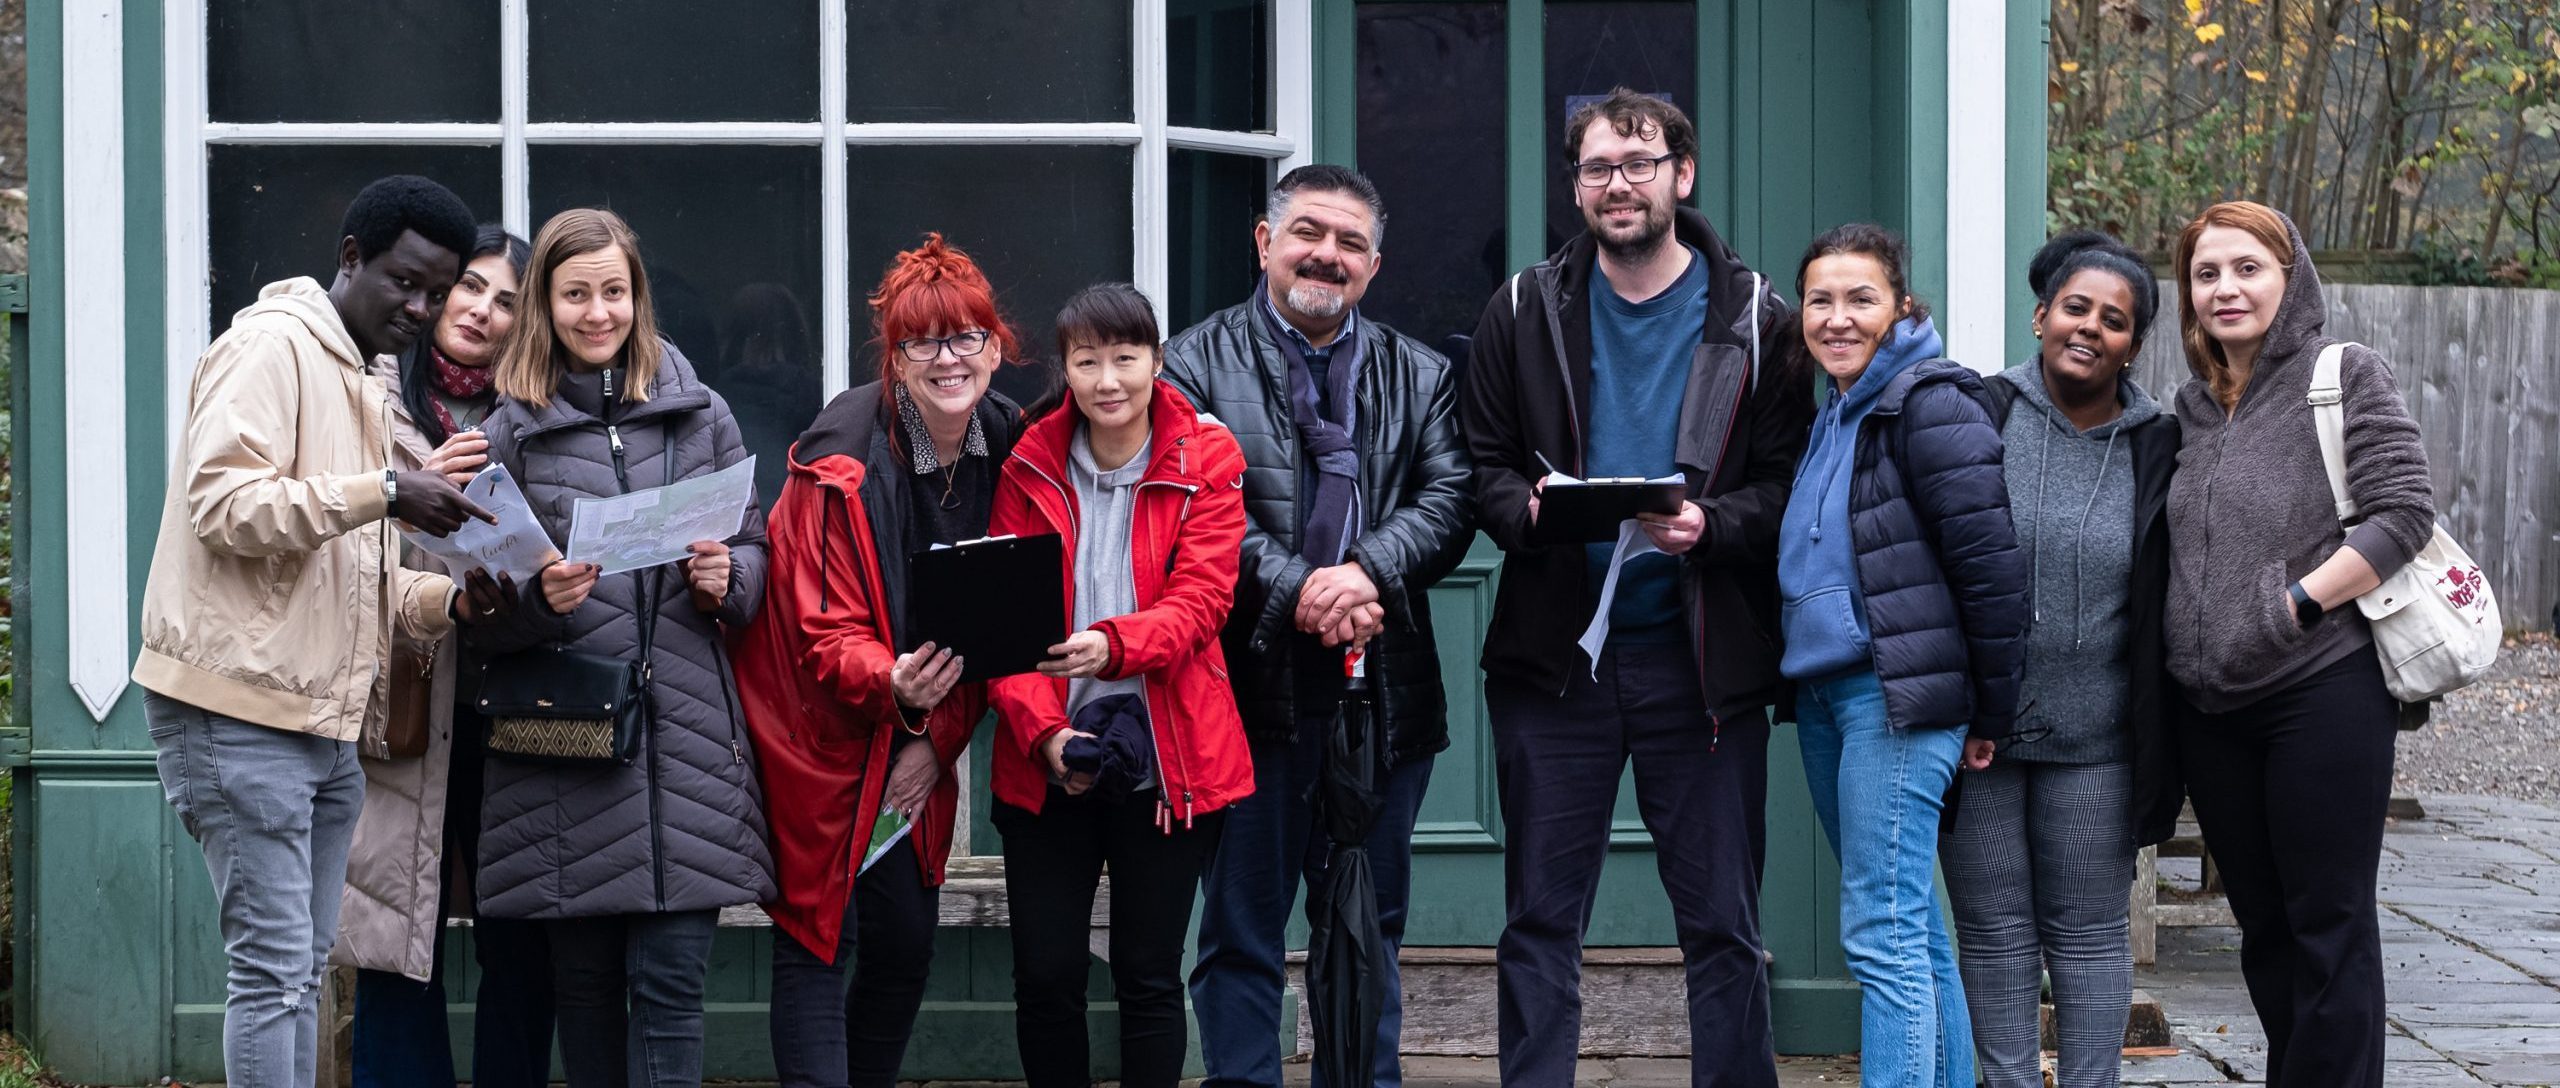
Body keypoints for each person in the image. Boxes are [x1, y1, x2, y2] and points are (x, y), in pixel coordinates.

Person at [1457, 88, 1807, 1088]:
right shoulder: (1522, 307)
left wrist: (1712, 525)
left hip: (1699, 664)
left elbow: (1788, 485)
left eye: (1638, 163)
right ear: (1576, 186)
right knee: (1538, 920)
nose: (1618, 183)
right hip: (1556, 663)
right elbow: (1479, 461)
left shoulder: (1755, 314)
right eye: (1598, 167)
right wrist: (1524, 512)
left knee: (1723, 925)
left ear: (1680, 176)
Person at [133, 174, 499, 1088]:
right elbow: (224, 505)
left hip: (328, 724)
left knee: (299, 970)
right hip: (236, 710)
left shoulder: (361, 375)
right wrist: (386, 490)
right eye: (404, 282)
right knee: (271, 973)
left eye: (436, 290)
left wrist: (450, 604)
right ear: (351, 259)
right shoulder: (269, 347)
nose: (421, 307)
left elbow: (349, 567)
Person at [1166, 164, 1475, 1088]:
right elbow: (1188, 508)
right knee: (1242, 927)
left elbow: (1452, 497)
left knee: (1366, 926)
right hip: (1243, 690)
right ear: (1265, 243)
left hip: (1381, 694)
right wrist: (1299, 586)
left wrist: (1363, 572)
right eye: (1308, 232)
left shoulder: (1420, 373)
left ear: (1373, 266)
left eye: (1349, 243)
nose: (1325, 255)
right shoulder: (1190, 364)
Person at [465, 207, 776, 1088]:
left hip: (686, 751)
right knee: (587, 989)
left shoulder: (701, 414)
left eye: (613, 291)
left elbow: (752, 547)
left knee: (674, 984)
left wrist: (731, 581)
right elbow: (477, 606)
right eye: (575, 294)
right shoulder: (508, 435)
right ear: (544, 306)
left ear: (638, 297)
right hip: (564, 752)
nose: (597, 313)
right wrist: (538, 600)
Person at [732, 234, 1026, 1088]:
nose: (948, 359)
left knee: (904, 942)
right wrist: (894, 689)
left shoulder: (1015, 449)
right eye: (922, 342)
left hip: (915, 731)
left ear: (996, 346)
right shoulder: (839, 462)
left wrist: (936, 739)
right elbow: (822, 632)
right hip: (812, 729)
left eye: (966, 337)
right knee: (817, 937)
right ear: (893, 359)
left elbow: (1007, 631)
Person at [2164, 201, 2434, 1088]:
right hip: (2213, 710)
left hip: (2320, 691)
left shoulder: (2342, 373)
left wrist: (2294, 607)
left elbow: (2403, 514)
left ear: (2292, 276)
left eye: (2248, 268)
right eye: (2207, 273)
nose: (2226, 288)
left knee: (2330, 925)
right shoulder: (2194, 407)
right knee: (2268, 931)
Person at [1777, 223, 2027, 1088]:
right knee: (1910, 925)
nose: (1838, 318)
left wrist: (1989, 711)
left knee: (1881, 937)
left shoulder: (1930, 402)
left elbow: (1992, 571)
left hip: (1895, 699)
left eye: (1861, 299)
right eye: (1821, 300)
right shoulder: (1836, 412)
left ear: (1901, 307)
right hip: (1826, 696)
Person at [986, 283, 1253, 1088]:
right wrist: (1046, 735)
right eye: (1088, 360)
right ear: (1066, 370)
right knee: (1047, 976)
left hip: (1167, 759)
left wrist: (1111, 645)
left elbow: (1203, 602)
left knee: (1147, 973)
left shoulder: (1208, 456)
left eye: (1125, 358)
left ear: (1157, 361)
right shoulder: (1029, 462)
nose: (1108, 380)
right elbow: (1003, 628)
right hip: (1047, 754)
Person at [1938, 230, 2180, 1088]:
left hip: (2101, 742)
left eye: (2115, 320)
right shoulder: (1977, 411)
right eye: (2075, 308)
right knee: (1996, 933)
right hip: (1985, 735)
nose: (2090, 328)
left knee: (2086, 933)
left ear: (2134, 345)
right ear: (2041, 315)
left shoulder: (2162, 443)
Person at [338, 223, 558, 1087]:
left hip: (517, 700)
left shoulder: (543, 411)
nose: (482, 311)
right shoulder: (370, 394)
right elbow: (338, 538)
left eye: (507, 301)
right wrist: (423, 481)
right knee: (397, 930)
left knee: (522, 938)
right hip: (405, 696)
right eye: (470, 287)